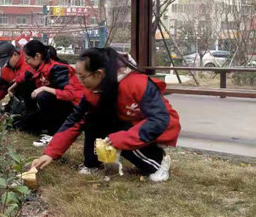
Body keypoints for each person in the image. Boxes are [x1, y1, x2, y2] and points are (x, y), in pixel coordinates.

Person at [30, 47, 180, 182]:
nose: (79, 82)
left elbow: (159, 120)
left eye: (82, 77)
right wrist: (50, 153)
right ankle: (92, 164)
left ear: (99, 74)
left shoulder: (137, 84)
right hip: (128, 123)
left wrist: (121, 139)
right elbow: (75, 120)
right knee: (92, 118)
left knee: (117, 135)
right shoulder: (93, 92)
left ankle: (158, 162)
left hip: (157, 128)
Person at [16, 39, 84, 146]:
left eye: (27, 59)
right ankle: (38, 121)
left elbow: (69, 95)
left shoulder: (58, 68)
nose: (26, 62)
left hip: (73, 108)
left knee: (43, 95)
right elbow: (24, 76)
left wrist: (44, 88)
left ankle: (53, 132)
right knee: (24, 125)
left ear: (37, 56)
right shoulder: (38, 67)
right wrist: (13, 86)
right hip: (55, 107)